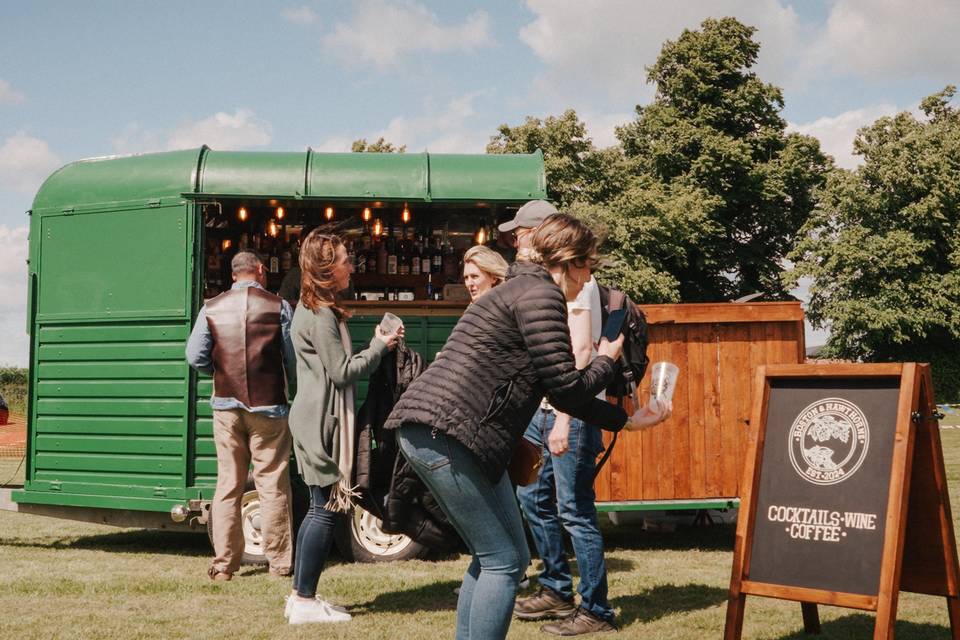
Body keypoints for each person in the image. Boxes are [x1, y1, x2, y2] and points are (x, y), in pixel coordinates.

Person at [384, 214, 629, 640]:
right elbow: (568, 389)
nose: (590, 278)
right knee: (501, 559)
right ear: (569, 262)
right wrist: (607, 357)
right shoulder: (540, 296)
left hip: (448, 434)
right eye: (588, 266)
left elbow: (556, 386)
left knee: (502, 555)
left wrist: (623, 418)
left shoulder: (523, 288)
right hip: (448, 435)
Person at [514, 269, 671, 636]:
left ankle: (597, 609)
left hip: (576, 414)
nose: (519, 241)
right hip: (544, 410)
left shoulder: (579, 288)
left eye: (523, 234)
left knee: (575, 510)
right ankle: (556, 587)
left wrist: (565, 421)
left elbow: (582, 354)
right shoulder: (554, 287)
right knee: (533, 497)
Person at [284, 231, 403, 625]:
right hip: (322, 423)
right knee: (325, 512)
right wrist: (380, 347)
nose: (352, 265)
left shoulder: (313, 308)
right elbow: (341, 372)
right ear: (326, 269)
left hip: (314, 417)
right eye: (346, 260)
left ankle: (301, 596)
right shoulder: (320, 315)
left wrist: (373, 343)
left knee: (318, 510)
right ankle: (304, 600)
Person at [186, 251, 296, 582]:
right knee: (273, 485)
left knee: (227, 486)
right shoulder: (279, 306)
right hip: (270, 407)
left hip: (226, 407)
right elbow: (291, 359)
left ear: (234, 274)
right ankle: (279, 564)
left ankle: (223, 566)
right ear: (261, 270)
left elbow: (194, 357)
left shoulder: (211, 307)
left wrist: (220, 371)